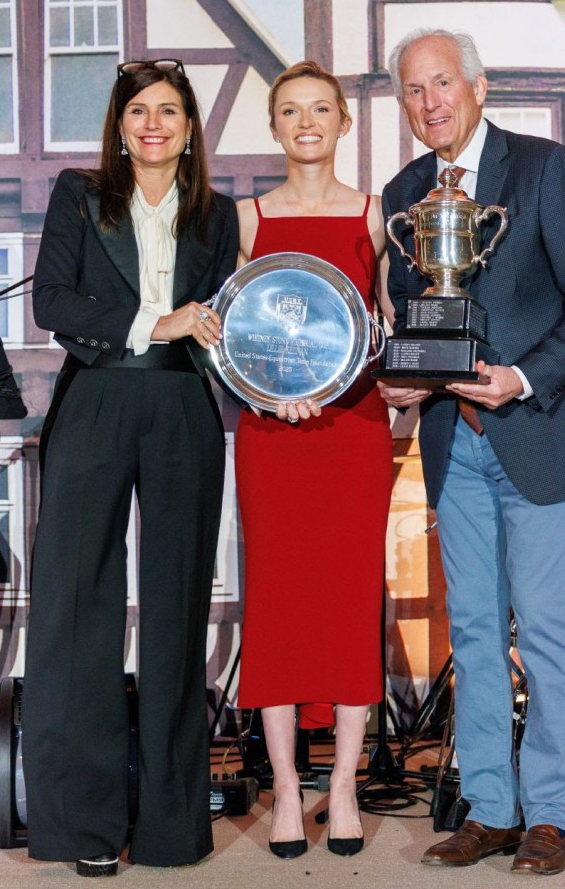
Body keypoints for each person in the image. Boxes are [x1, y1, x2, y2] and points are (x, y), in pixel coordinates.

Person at [378, 29, 565, 875]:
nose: (430, 103)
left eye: (442, 83)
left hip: (539, 432)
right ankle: (489, 808)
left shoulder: (545, 168)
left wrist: (520, 378)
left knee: (545, 629)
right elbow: (416, 316)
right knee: (476, 631)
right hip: (453, 442)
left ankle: (550, 813)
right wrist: (405, 380)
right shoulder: (404, 192)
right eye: (414, 90)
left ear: (478, 87)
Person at [22, 59, 238, 876]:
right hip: (98, 395)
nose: (153, 124)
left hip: (182, 403)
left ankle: (170, 830)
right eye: (138, 110)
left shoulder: (216, 214)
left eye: (169, 111)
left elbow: (222, 326)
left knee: (178, 608)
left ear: (189, 128)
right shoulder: (79, 195)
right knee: (78, 606)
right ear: (118, 125)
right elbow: (52, 302)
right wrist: (159, 320)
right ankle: (82, 829)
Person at [235, 61, 394, 859]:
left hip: (352, 430)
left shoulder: (375, 215)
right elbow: (231, 334)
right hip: (271, 438)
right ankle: (287, 786)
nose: (306, 123)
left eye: (320, 109)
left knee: (348, 598)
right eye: (291, 111)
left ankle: (344, 788)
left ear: (343, 122)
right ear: (273, 126)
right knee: (277, 602)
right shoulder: (244, 218)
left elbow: (386, 325)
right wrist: (268, 394)